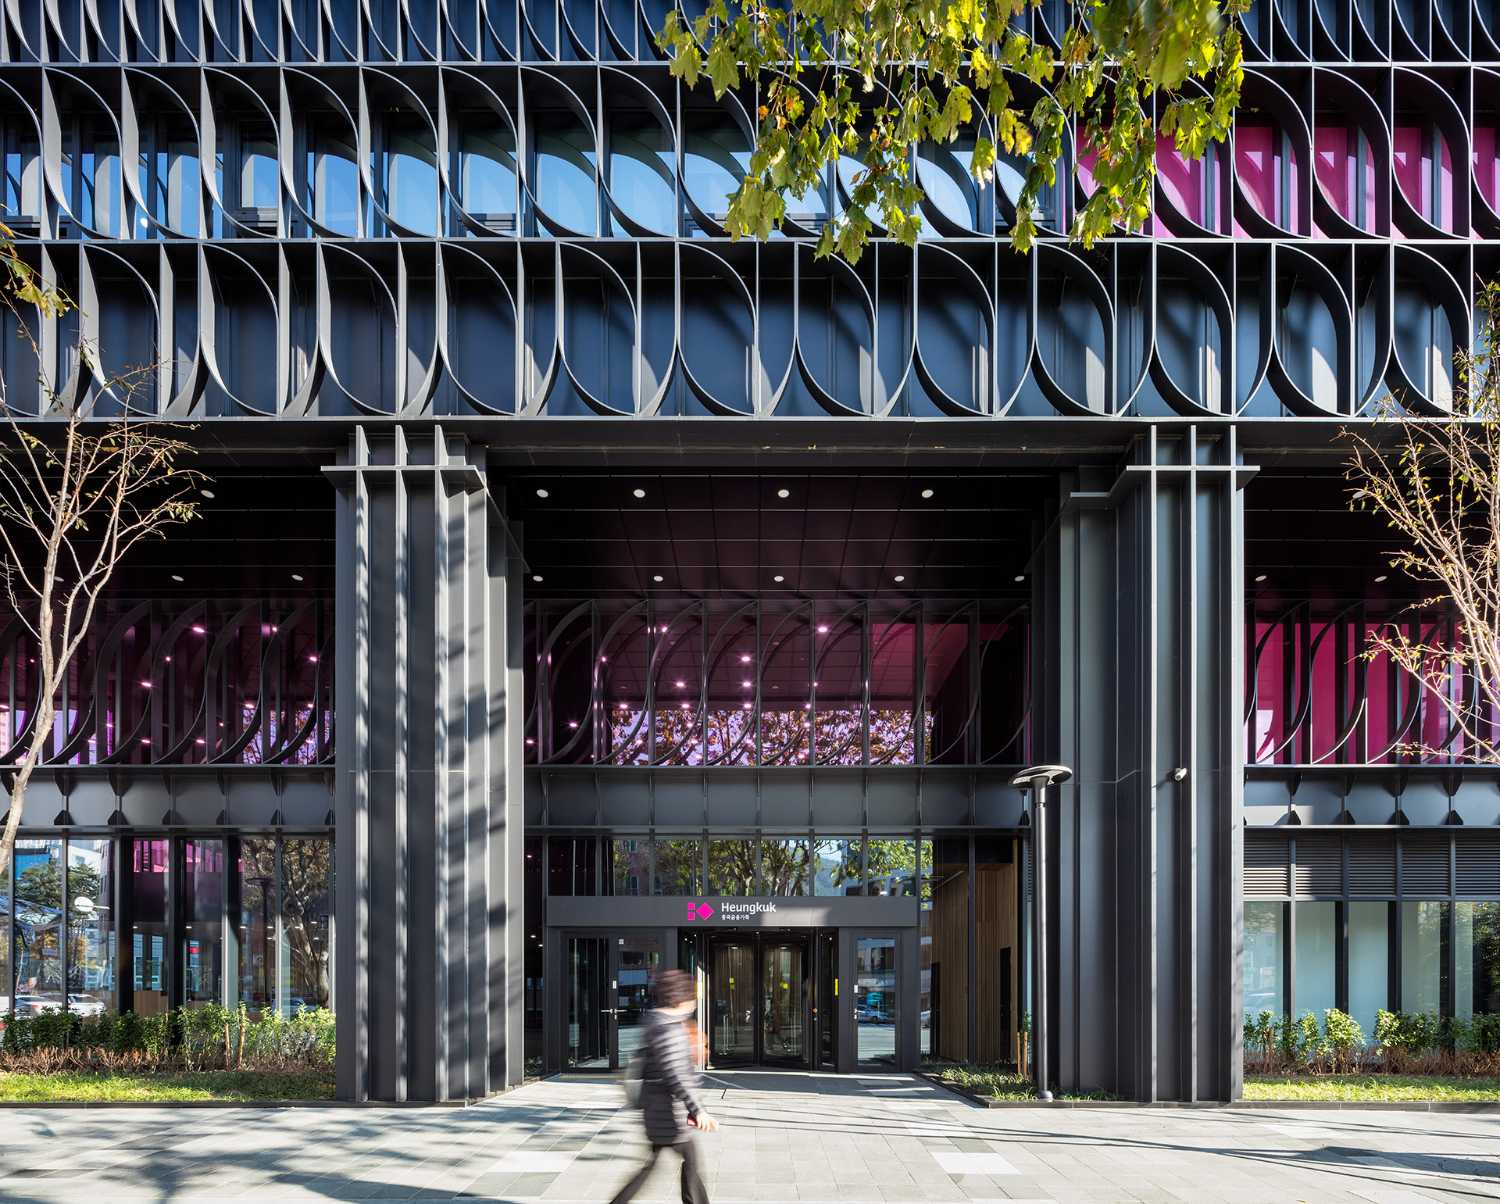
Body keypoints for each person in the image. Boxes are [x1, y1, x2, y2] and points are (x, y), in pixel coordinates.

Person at [609, 968, 718, 1204]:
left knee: (655, 1165)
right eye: (691, 998)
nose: (693, 1003)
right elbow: (676, 1074)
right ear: (680, 999)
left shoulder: (655, 1023)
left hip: (656, 1111)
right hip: (670, 1113)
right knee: (689, 1161)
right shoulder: (670, 1029)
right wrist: (697, 1110)